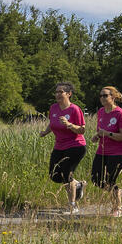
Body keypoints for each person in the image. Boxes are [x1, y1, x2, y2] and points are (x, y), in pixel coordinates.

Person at [39, 81, 86, 213]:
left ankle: (72, 205)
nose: (58, 94)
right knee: (54, 175)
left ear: (69, 94)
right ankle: (77, 184)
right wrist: (45, 132)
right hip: (59, 146)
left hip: (75, 146)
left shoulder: (74, 109)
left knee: (66, 174)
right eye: (56, 92)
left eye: (61, 92)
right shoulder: (53, 108)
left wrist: (70, 125)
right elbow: (52, 123)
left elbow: (82, 130)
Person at [88, 86, 122, 217]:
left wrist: (107, 133)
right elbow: (101, 131)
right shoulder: (101, 111)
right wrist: (97, 136)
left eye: (105, 95)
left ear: (113, 97)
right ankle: (118, 192)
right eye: (101, 96)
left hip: (118, 151)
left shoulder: (120, 114)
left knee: (110, 180)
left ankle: (118, 207)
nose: (102, 98)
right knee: (96, 178)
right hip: (102, 150)